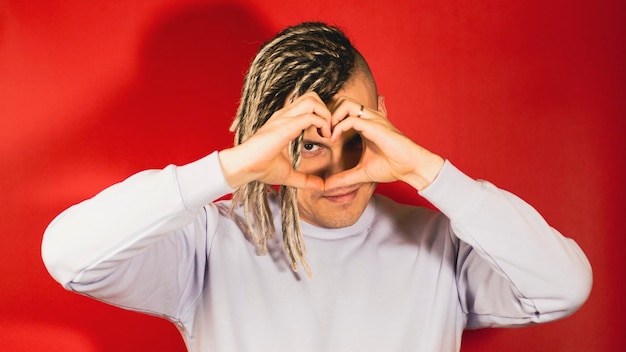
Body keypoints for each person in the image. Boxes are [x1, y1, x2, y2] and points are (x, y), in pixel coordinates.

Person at [41, 22, 592, 352]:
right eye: (308, 143)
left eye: (352, 135)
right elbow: (68, 256)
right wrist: (232, 168)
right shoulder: (209, 244)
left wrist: (426, 169)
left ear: (383, 121)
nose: (335, 172)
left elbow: (565, 285)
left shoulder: (440, 244)